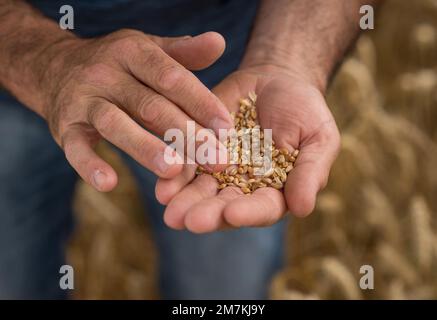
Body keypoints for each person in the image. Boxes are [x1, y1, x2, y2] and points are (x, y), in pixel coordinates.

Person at [0, 0, 380, 299]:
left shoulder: (245, 119)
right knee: (14, 280)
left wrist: (285, 58)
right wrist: (43, 58)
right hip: (14, 76)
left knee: (223, 290)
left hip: (226, 79)